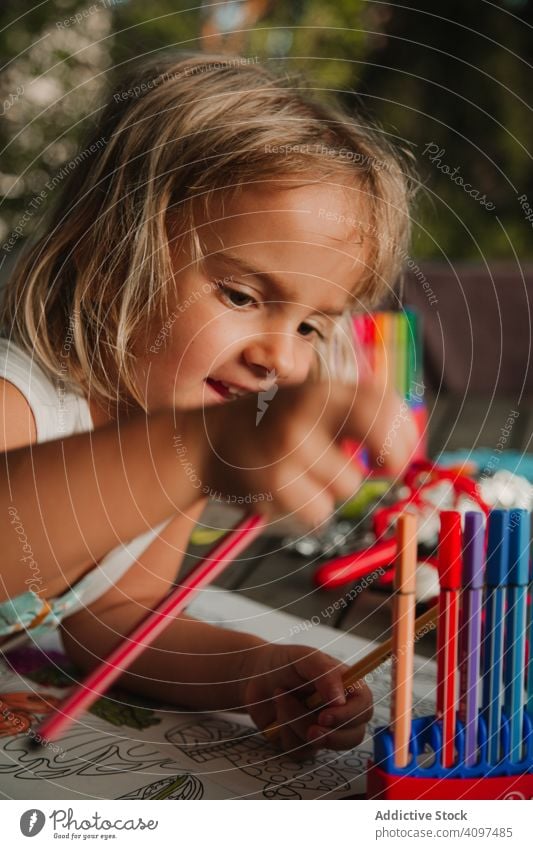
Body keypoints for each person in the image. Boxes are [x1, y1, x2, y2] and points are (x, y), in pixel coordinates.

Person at [0, 53, 417, 759]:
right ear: (108, 260)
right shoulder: (23, 401)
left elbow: (116, 613)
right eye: (242, 295)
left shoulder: (171, 430)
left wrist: (249, 669)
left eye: (311, 326)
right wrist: (198, 448)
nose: (280, 358)